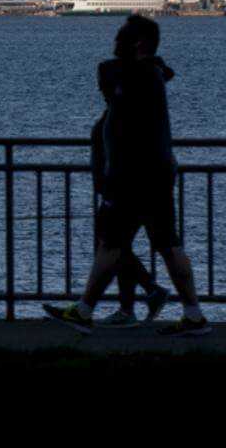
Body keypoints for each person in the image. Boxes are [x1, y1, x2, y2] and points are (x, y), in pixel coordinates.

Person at [44, 14, 210, 337]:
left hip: (133, 177)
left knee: (111, 245)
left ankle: (85, 310)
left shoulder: (137, 77)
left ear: (137, 44)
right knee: (164, 245)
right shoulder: (151, 74)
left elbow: (111, 78)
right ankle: (192, 314)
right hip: (154, 175)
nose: (116, 42)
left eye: (122, 36)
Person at [88, 107, 169, 327]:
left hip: (120, 192)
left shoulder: (125, 114)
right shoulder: (119, 112)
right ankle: (129, 307)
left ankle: (145, 294)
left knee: (111, 245)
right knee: (118, 246)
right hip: (118, 190)